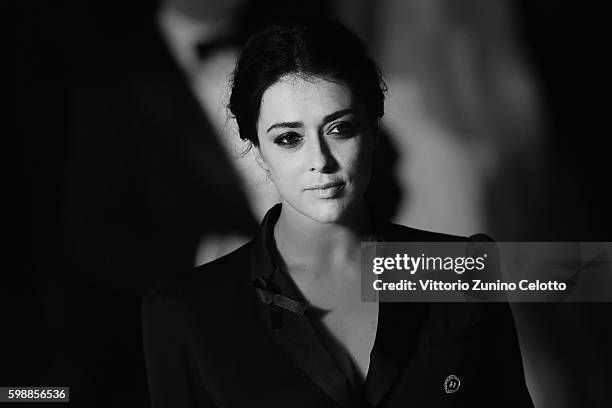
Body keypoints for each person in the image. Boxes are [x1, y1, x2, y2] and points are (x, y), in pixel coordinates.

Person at [142, 20, 534, 407]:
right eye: (289, 139)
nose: (321, 162)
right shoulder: (185, 314)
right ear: (258, 150)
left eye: (339, 129)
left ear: (374, 128)